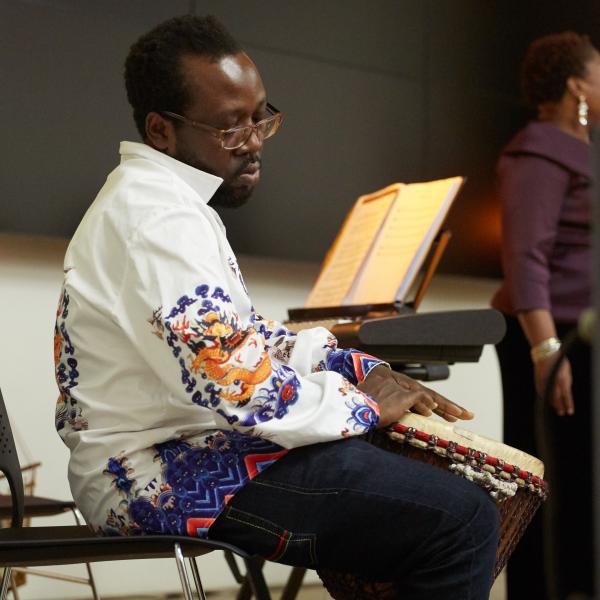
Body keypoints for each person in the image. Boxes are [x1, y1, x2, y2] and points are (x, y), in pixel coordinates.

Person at [54, 14, 498, 599]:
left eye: (260, 116)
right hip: (152, 476)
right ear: (162, 131)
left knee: (411, 501)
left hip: (184, 448)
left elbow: (246, 341)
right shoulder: (157, 220)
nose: (256, 140)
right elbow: (240, 388)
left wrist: (353, 368)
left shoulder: (162, 203)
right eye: (231, 128)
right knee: (460, 519)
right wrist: (362, 407)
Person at [492, 31, 598, 600]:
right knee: (548, 483)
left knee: (584, 483)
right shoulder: (538, 149)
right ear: (577, 85)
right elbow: (525, 254)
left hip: (585, 336)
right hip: (550, 338)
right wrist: (545, 350)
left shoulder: (583, 150)